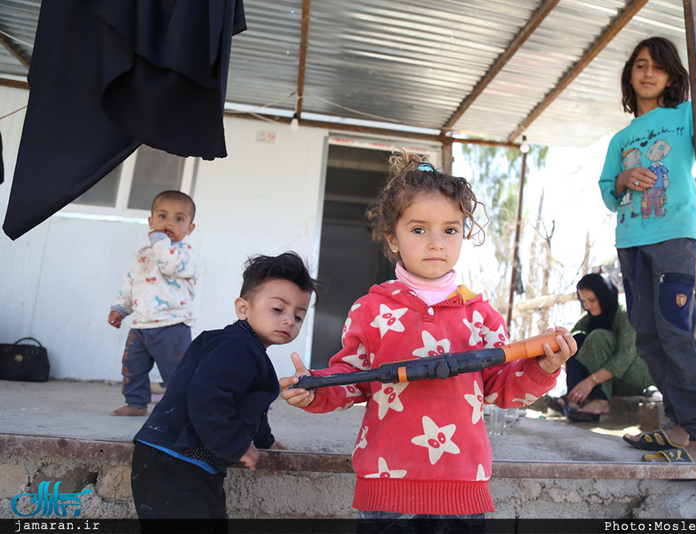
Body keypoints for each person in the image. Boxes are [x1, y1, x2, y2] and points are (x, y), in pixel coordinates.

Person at [280, 149, 577, 531]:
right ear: (392, 237)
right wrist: (316, 390)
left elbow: (500, 389)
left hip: (462, 489)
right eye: (419, 229)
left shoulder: (480, 314)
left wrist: (544, 366)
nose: (436, 242)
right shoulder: (371, 309)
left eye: (450, 230)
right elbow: (352, 380)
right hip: (385, 491)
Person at [598, 37, 696, 463]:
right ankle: (677, 427)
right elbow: (607, 190)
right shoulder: (620, 138)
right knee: (647, 337)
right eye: (640, 64)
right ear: (630, 76)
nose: (647, 72)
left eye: (658, 66)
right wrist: (623, 180)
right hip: (631, 243)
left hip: (675, 236)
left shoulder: (685, 115)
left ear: (672, 76)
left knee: (677, 330)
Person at [130, 252, 321, 528]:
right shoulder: (234, 346)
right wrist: (238, 445)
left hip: (194, 466)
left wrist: (266, 444)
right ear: (243, 308)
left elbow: (253, 410)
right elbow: (207, 399)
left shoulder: (251, 352)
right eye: (278, 309)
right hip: (173, 461)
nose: (290, 320)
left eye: (299, 316)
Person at [107, 190, 198, 416]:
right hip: (141, 325)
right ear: (151, 221)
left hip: (172, 325)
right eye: (162, 216)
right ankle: (136, 403)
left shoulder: (184, 253)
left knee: (176, 371)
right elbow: (131, 283)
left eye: (179, 218)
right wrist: (120, 308)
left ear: (190, 228)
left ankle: (183, 408)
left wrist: (159, 242)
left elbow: (168, 265)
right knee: (132, 367)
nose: (169, 222)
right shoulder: (140, 254)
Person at [551, 272, 653, 423]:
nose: (587, 306)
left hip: (635, 375)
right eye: (583, 301)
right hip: (607, 381)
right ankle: (576, 399)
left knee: (598, 337)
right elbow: (567, 345)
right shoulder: (588, 318)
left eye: (592, 300)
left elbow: (625, 356)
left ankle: (601, 401)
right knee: (574, 339)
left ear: (604, 296)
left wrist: (590, 382)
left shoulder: (625, 315)